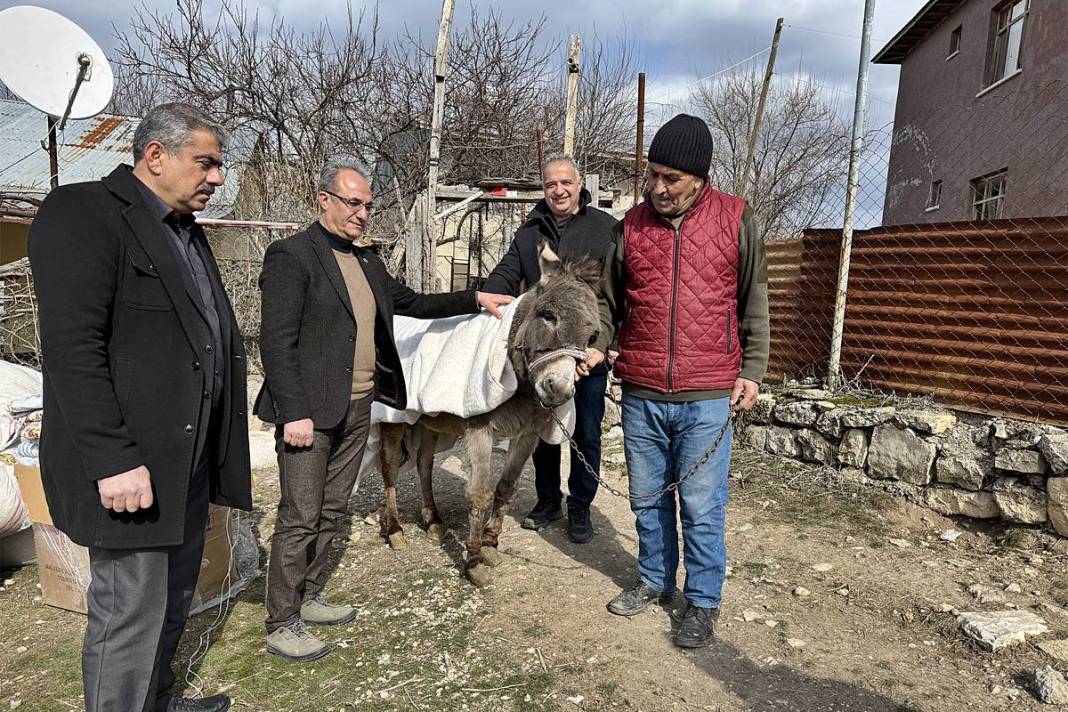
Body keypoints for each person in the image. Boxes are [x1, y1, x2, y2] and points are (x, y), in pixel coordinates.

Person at [28, 103, 251, 712]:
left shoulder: (184, 232)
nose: (218, 177)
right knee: (129, 611)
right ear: (155, 155)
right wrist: (112, 458)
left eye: (220, 166)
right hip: (132, 469)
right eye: (206, 163)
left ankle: (157, 701)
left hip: (186, 465)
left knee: (174, 598)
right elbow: (73, 351)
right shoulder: (83, 212)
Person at [256, 158, 512, 662]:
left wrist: (475, 297)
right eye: (353, 202)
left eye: (368, 205)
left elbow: (414, 302)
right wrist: (294, 413)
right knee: (300, 515)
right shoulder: (292, 256)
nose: (362, 213)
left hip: (358, 407)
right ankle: (281, 620)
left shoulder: (368, 261)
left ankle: (308, 599)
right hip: (310, 413)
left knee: (332, 509)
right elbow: (276, 343)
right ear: (323, 200)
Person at [597, 114, 769, 649]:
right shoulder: (630, 225)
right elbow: (607, 301)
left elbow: (754, 301)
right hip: (641, 390)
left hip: (708, 393)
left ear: (699, 176)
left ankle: (702, 601)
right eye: (653, 175)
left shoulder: (736, 219)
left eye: (670, 178)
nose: (657, 188)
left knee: (700, 503)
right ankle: (654, 580)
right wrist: (598, 342)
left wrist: (753, 370)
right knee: (647, 498)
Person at [482, 153, 616, 543]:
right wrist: (485, 297)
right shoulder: (529, 232)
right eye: (551, 184)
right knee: (538, 428)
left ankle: (580, 506)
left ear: (579, 185)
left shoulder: (605, 229)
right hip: (541, 355)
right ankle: (547, 500)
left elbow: (615, 296)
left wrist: (605, 346)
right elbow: (508, 271)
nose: (558, 190)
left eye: (566, 183)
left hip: (585, 354)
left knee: (585, 431)